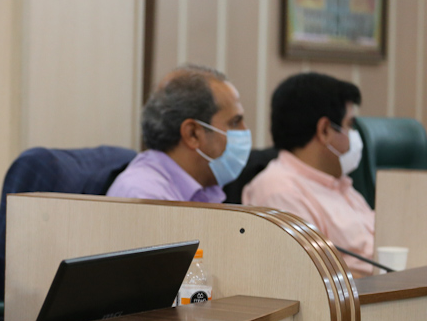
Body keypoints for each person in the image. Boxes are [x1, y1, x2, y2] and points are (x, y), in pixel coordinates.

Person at [242, 72, 374, 277]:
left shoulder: (340, 184)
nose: (354, 137)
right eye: (349, 125)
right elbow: (312, 277)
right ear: (325, 131)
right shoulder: (280, 192)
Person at [107, 65, 251, 202]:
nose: (245, 130)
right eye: (234, 123)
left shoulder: (205, 190)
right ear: (192, 134)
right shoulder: (145, 196)